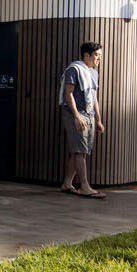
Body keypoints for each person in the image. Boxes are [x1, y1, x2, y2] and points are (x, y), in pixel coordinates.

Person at [58, 42, 106, 199]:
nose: (99, 59)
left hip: (89, 114)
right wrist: (77, 116)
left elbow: (94, 98)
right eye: (96, 55)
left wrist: (98, 120)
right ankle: (85, 187)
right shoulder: (74, 69)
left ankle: (67, 183)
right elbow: (68, 94)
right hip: (74, 114)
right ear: (86, 55)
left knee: (79, 151)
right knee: (80, 152)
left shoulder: (93, 73)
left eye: (100, 55)